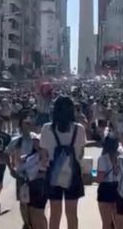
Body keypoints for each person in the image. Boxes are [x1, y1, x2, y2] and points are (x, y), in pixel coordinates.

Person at [40, 96, 85, 229]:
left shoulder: (47, 128)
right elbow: (81, 154)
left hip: (53, 172)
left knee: (55, 213)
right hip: (74, 173)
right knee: (72, 213)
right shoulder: (79, 129)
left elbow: (44, 155)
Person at [16, 133, 48, 229]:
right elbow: (20, 168)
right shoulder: (32, 155)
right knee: (33, 212)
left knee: (38, 212)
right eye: (34, 143)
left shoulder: (45, 154)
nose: (35, 145)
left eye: (37, 142)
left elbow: (44, 166)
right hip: (31, 184)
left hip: (40, 185)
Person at [96, 134, 120, 229]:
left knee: (106, 223)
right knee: (118, 222)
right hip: (118, 188)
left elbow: (100, 179)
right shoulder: (121, 157)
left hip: (105, 190)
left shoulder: (102, 159)